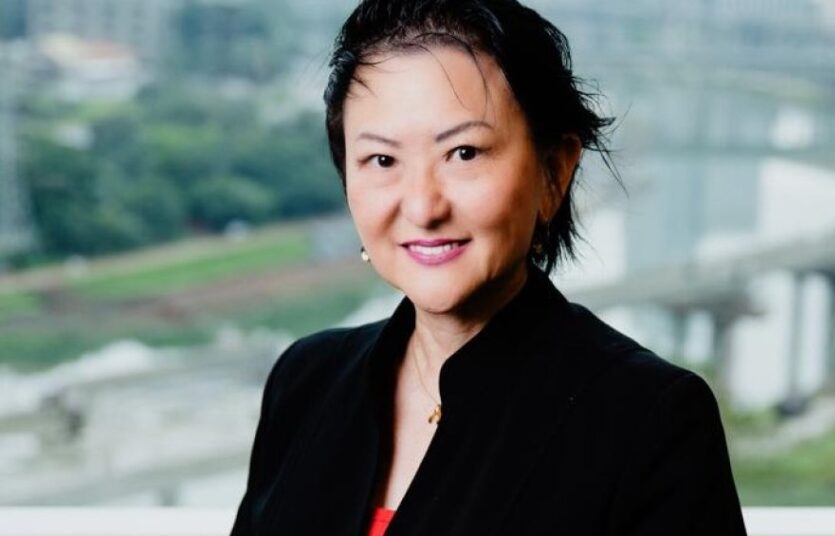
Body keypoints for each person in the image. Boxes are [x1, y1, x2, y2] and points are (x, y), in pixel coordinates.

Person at [230, 0, 746, 534]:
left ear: (554, 171)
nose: (423, 207)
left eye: (464, 153)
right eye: (382, 160)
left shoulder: (647, 419)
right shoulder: (306, 381)